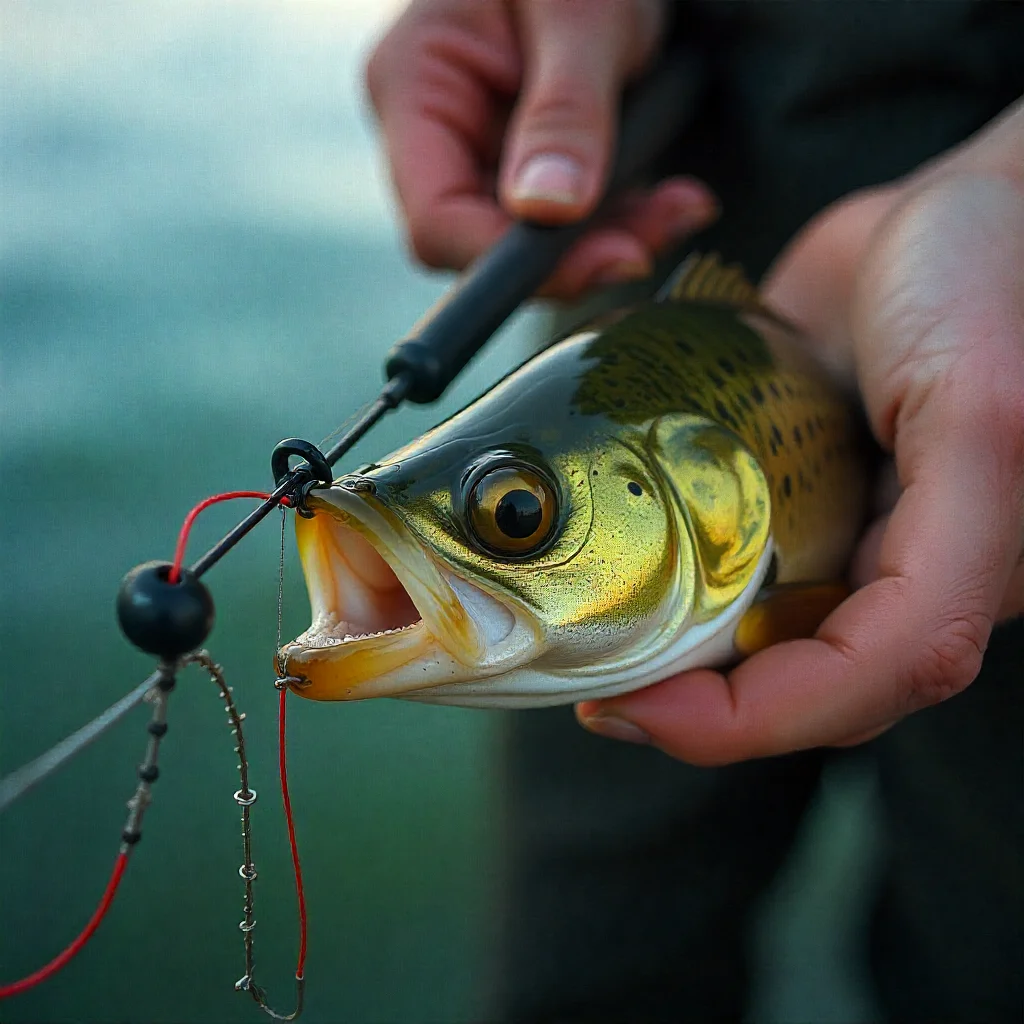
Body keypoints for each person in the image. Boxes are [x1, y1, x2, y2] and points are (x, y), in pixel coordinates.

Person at [365, 2, 1024, 1019]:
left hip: (990, 292)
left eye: (512, 515)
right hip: (654, 265)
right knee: (585, 972)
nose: (505, 515)